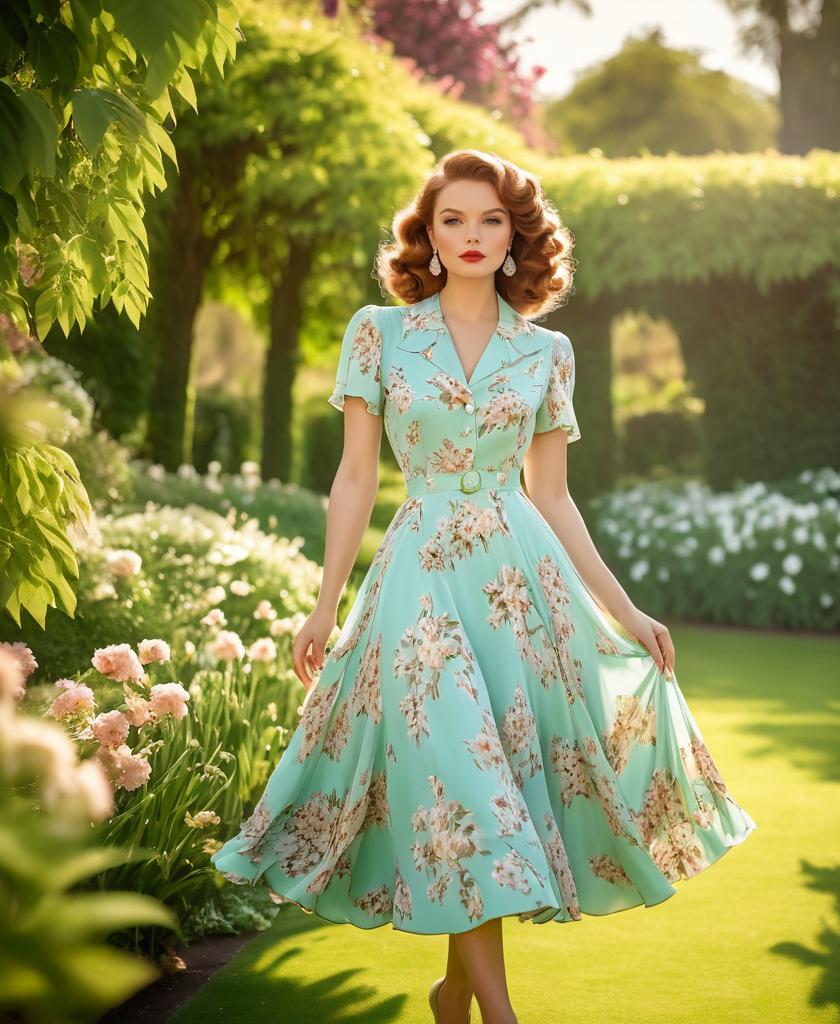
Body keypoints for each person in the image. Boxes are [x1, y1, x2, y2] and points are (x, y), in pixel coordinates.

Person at [211, 149, 757, 1024]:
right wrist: (325, 603)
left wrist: (626, 609)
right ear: (427, 236)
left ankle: (454, 993)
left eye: (490, 220)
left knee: (497, 789)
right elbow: (354, 480)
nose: (471, 235)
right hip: (418, 578)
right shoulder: (378, 334)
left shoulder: (547, 351)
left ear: (515, 237)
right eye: (453, 220)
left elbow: (553, 496)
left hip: (517, 588)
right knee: (463, 780)